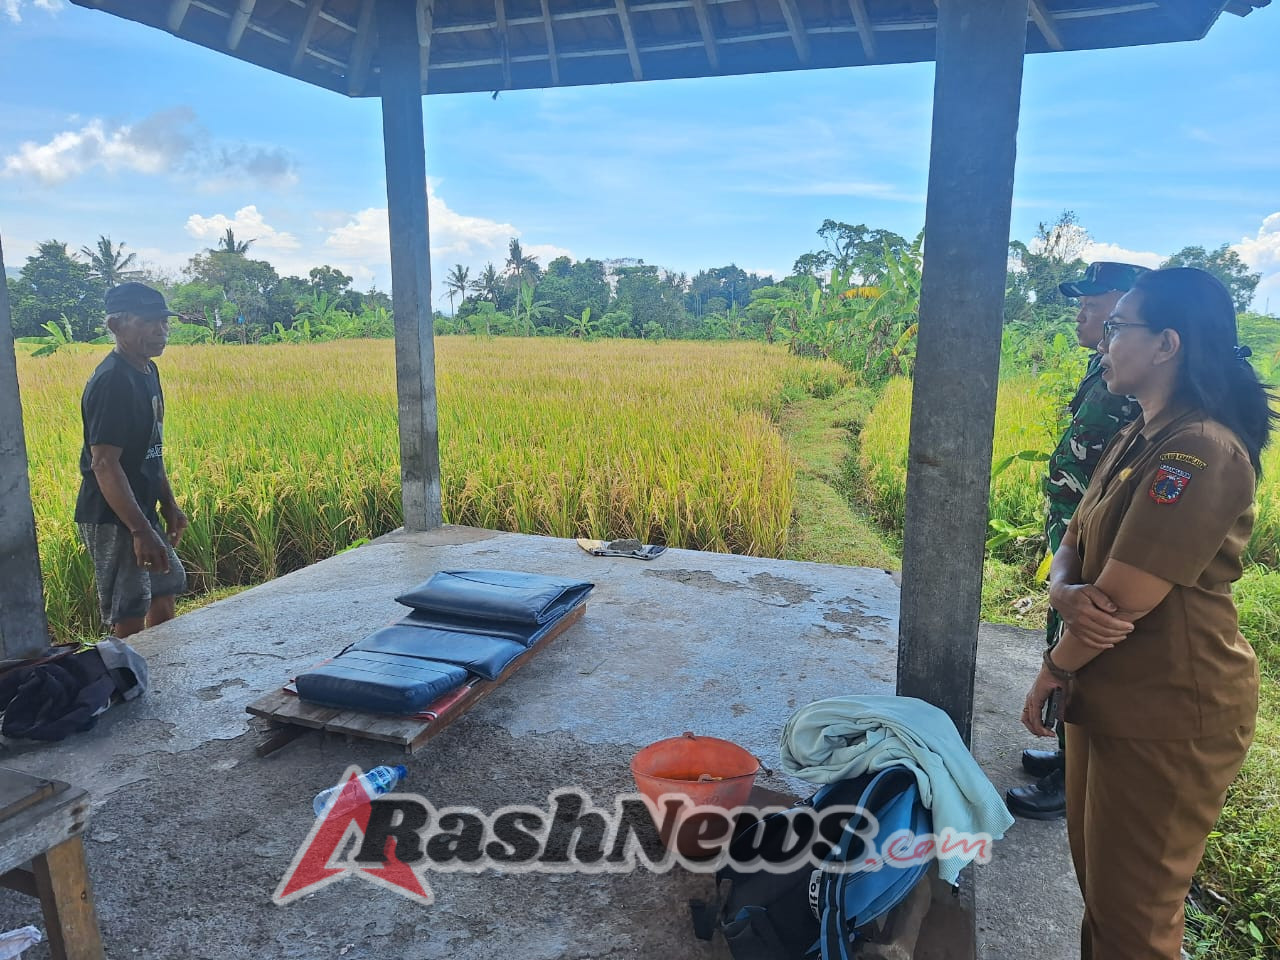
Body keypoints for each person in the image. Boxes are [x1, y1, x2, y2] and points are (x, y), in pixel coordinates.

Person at [1021, 267, 1273, 959]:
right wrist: (1059, 591)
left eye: (1116, 328)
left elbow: (1122, 603)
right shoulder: (1139, 431)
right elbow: (1072, 536)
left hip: (1169, 713)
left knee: (1136, 922)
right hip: (1112, 698)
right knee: (1104, 897)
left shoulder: (1199, 450)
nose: (1103, 342)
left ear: (1166, 344)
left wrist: (1052, 667)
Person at [1006, 261, 1148, 820]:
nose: (1085, 312)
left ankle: (1075, 773)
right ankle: (1067, 752)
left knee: (1085, 643)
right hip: (1074, 529)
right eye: (1085, 302)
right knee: (1064, 626)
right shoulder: (1105, 366)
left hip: (1104, 540)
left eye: (1099, 302)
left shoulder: (1145, 385)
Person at [75, 282, 188, 639]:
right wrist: (139, 530)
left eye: (164, 322)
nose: (161, 331)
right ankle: (131, 686)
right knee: (130, 608)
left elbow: (152, 447)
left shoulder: (147, 370)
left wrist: (168, 504)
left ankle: (165, 674)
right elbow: (104, 464)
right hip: (114, 516)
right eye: (148, 321)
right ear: (116, 325)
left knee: (165, 589)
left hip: (142, 508)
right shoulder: (113, 381)